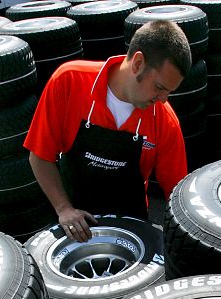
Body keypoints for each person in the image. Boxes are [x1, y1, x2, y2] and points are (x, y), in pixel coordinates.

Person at [24, 20, 192, 242]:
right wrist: (63, 208)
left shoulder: (165, 121)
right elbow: (39, 156)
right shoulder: (69, 81)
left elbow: (177, 196)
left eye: (169, 92)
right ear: (138, 63)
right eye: (160, 87)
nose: (163, 99)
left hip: (133, 227)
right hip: (73, 221)